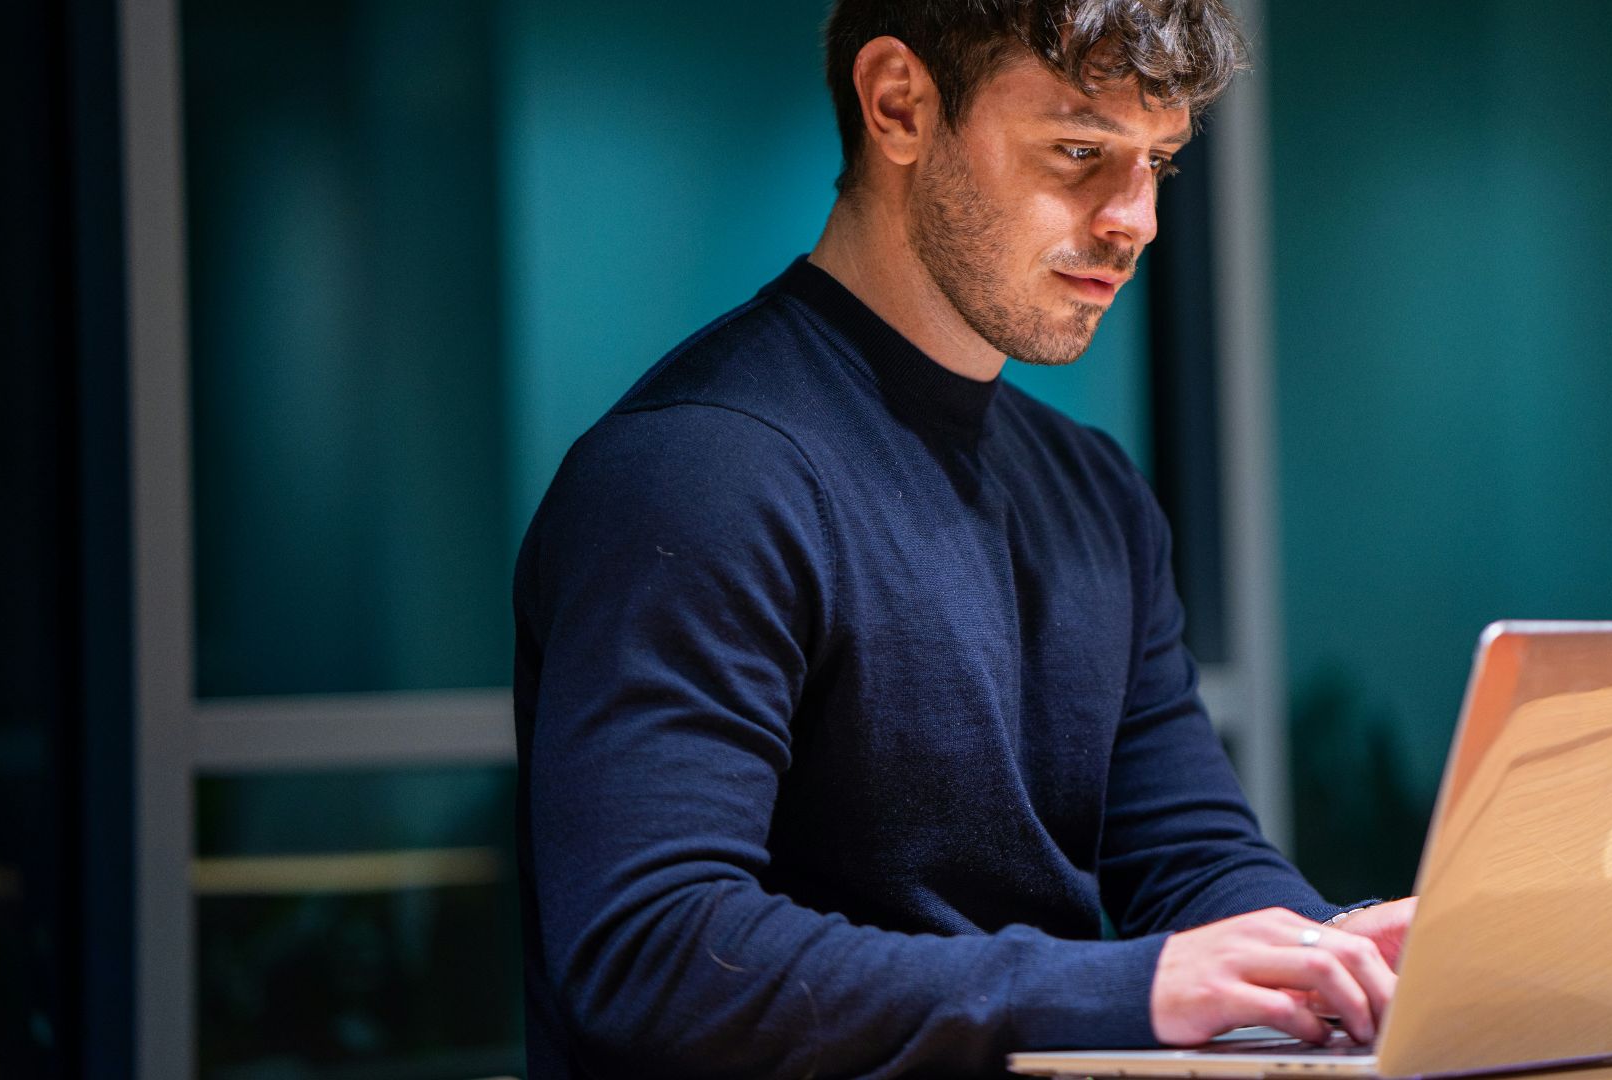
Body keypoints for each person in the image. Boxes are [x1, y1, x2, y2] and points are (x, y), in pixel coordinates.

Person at [511, 1, 1415, 1076]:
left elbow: (1189, 856)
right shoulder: (697, 474)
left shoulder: (1093, 492)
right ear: (900, 104)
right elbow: (652, 953)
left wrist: (1326, 956)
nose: (1136, 220)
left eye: (1159, 163)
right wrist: (1130, 986)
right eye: (1079, 152)